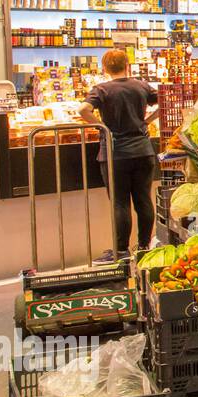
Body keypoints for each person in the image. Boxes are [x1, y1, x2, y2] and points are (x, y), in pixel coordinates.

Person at [78, 49, 159, 261]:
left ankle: (121, 250)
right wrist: (147, 122)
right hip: (143, 150)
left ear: (104, 68)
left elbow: (83, 110)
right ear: (128, 65)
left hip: (115, 154)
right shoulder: (141, 85)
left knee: (120, 202)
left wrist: (102, 127)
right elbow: (166, 101)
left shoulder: (102, 89)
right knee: (143, 199)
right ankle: (144, 247)